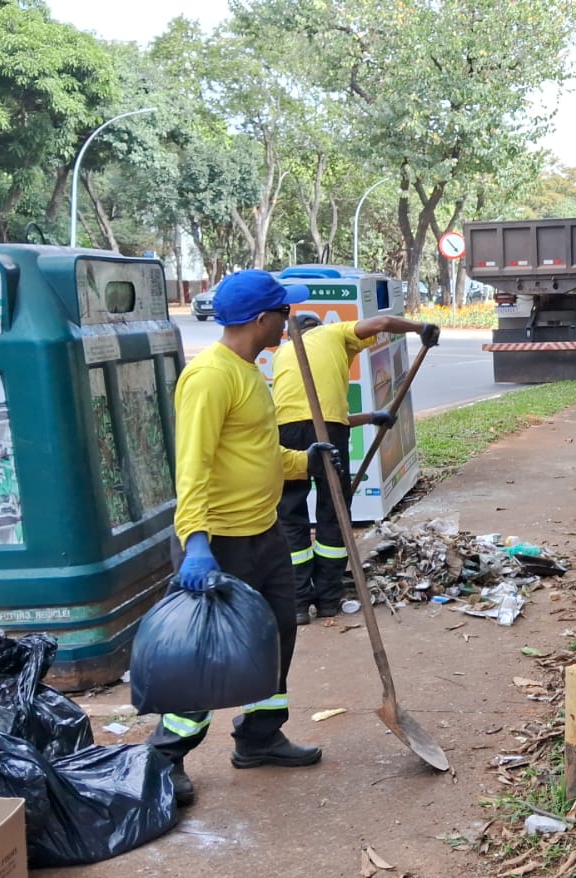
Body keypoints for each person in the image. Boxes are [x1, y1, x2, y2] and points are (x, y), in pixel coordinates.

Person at [152, 269, 344, 808]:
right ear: (263, 320)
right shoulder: (210, 377)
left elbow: (256, 454)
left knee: (278, 634)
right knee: (205, 654)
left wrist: (302, 461)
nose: (289, 321)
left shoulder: (247, 371)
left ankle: (260, 737)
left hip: (263, 534)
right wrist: (195, 541)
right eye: (283, 312)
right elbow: (192, 467)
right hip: (219, 544)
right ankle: (165, 756)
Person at [271, 311, 440, 623]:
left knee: (291, 514)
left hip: (287, 431)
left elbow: (310, 417)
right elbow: (383, 323)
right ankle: (327, 599)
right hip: (328, 430)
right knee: (333, 513)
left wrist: (371, 417)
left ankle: (297, 603)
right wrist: (422, 328)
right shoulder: (334, 333)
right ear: (319, 327)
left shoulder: (285, 351)